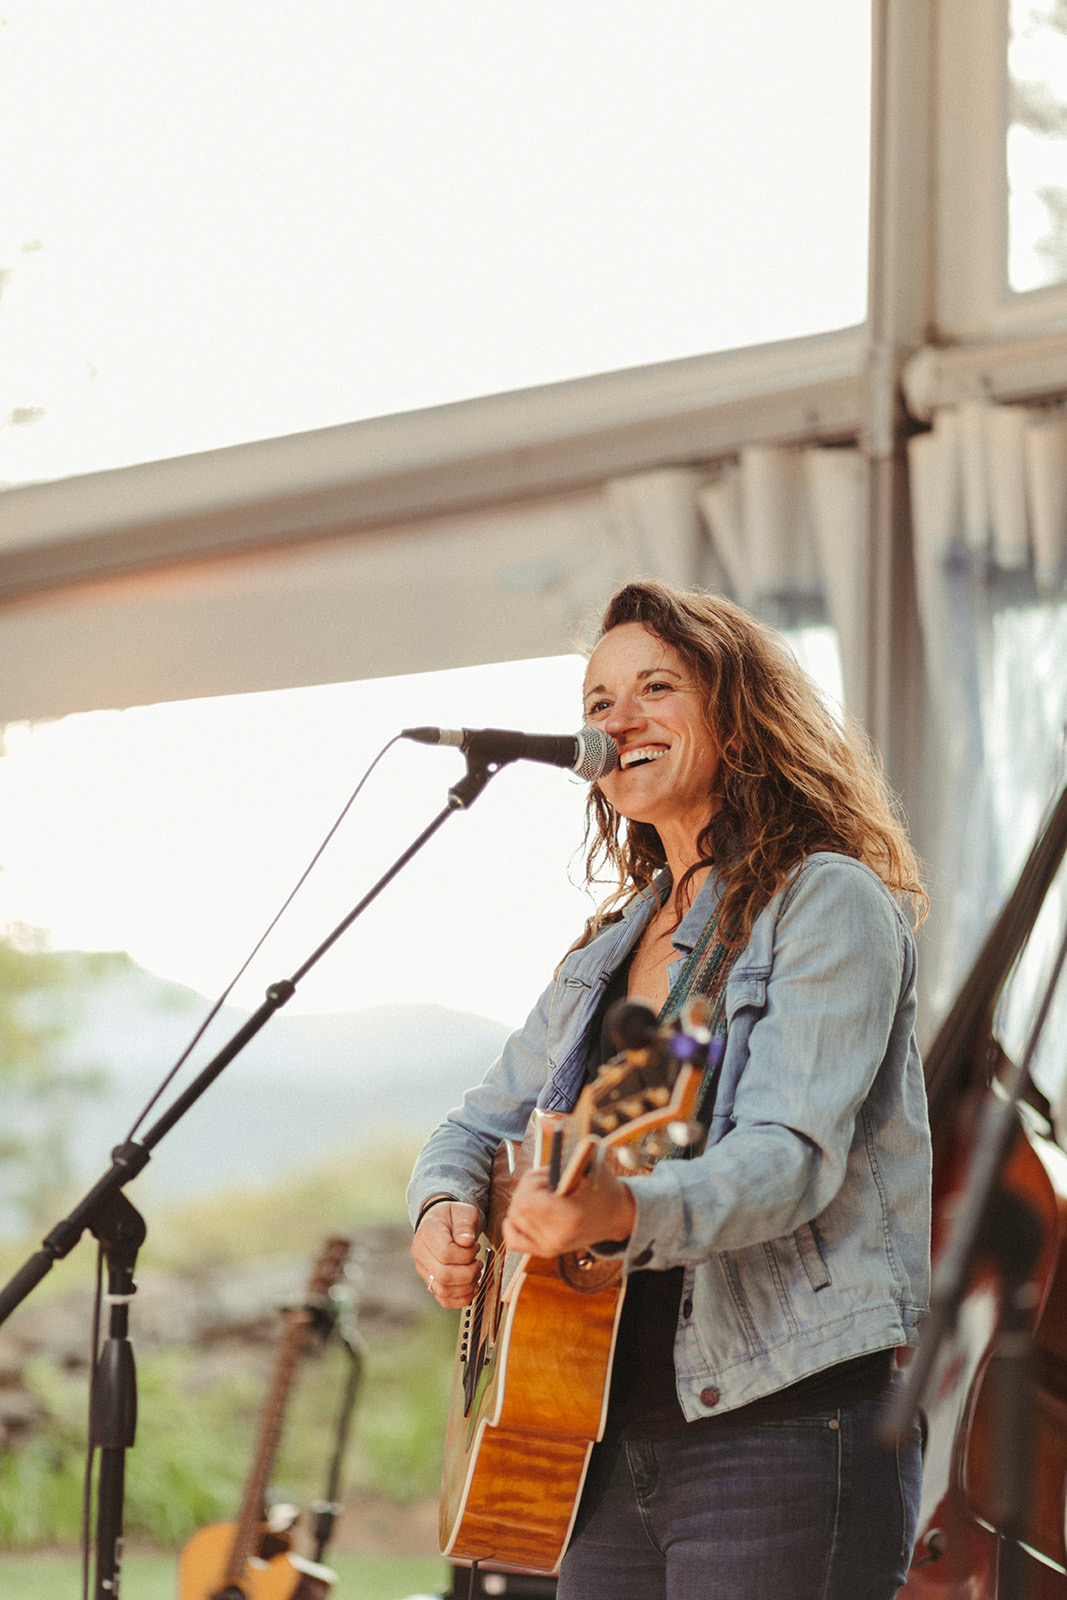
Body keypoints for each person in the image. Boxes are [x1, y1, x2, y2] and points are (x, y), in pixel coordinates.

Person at [409, 578, 931, 1600]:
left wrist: (618, 1208)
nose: (617, 721)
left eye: (656, 687)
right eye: (598, 702)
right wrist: (442, 1205)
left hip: (778, 1427)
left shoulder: (821, 901)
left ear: (740, 714)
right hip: (597, 1437)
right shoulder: (606, 949)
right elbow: (474, 1126)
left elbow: (785, 1159)